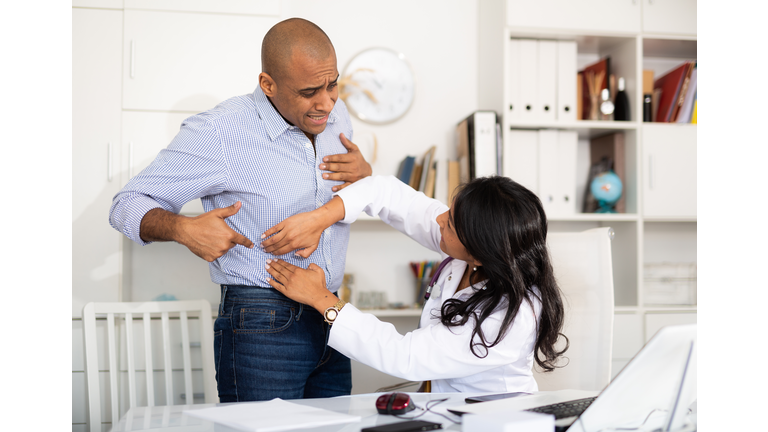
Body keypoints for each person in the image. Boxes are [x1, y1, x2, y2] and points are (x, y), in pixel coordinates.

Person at [109, 18, 372, 402]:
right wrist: (184, 229)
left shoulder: (337, 115)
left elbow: (350, 194)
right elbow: (125, 205)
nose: (327, 103)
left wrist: (364, 175)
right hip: (263, 323)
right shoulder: (220, 131)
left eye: (333, 85)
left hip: (332, 312)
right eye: (310, 91)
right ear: (268, 85)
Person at [260, 175, 568, 393]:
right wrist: (320, 218)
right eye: (449, 210)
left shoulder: (513, 316)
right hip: (448, 408)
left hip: (493, 419)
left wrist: (323, 300)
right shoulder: (475, 252)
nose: (438, 221)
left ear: (479, 252)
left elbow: (406, 357)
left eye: (450, 223)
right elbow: (388, 194)